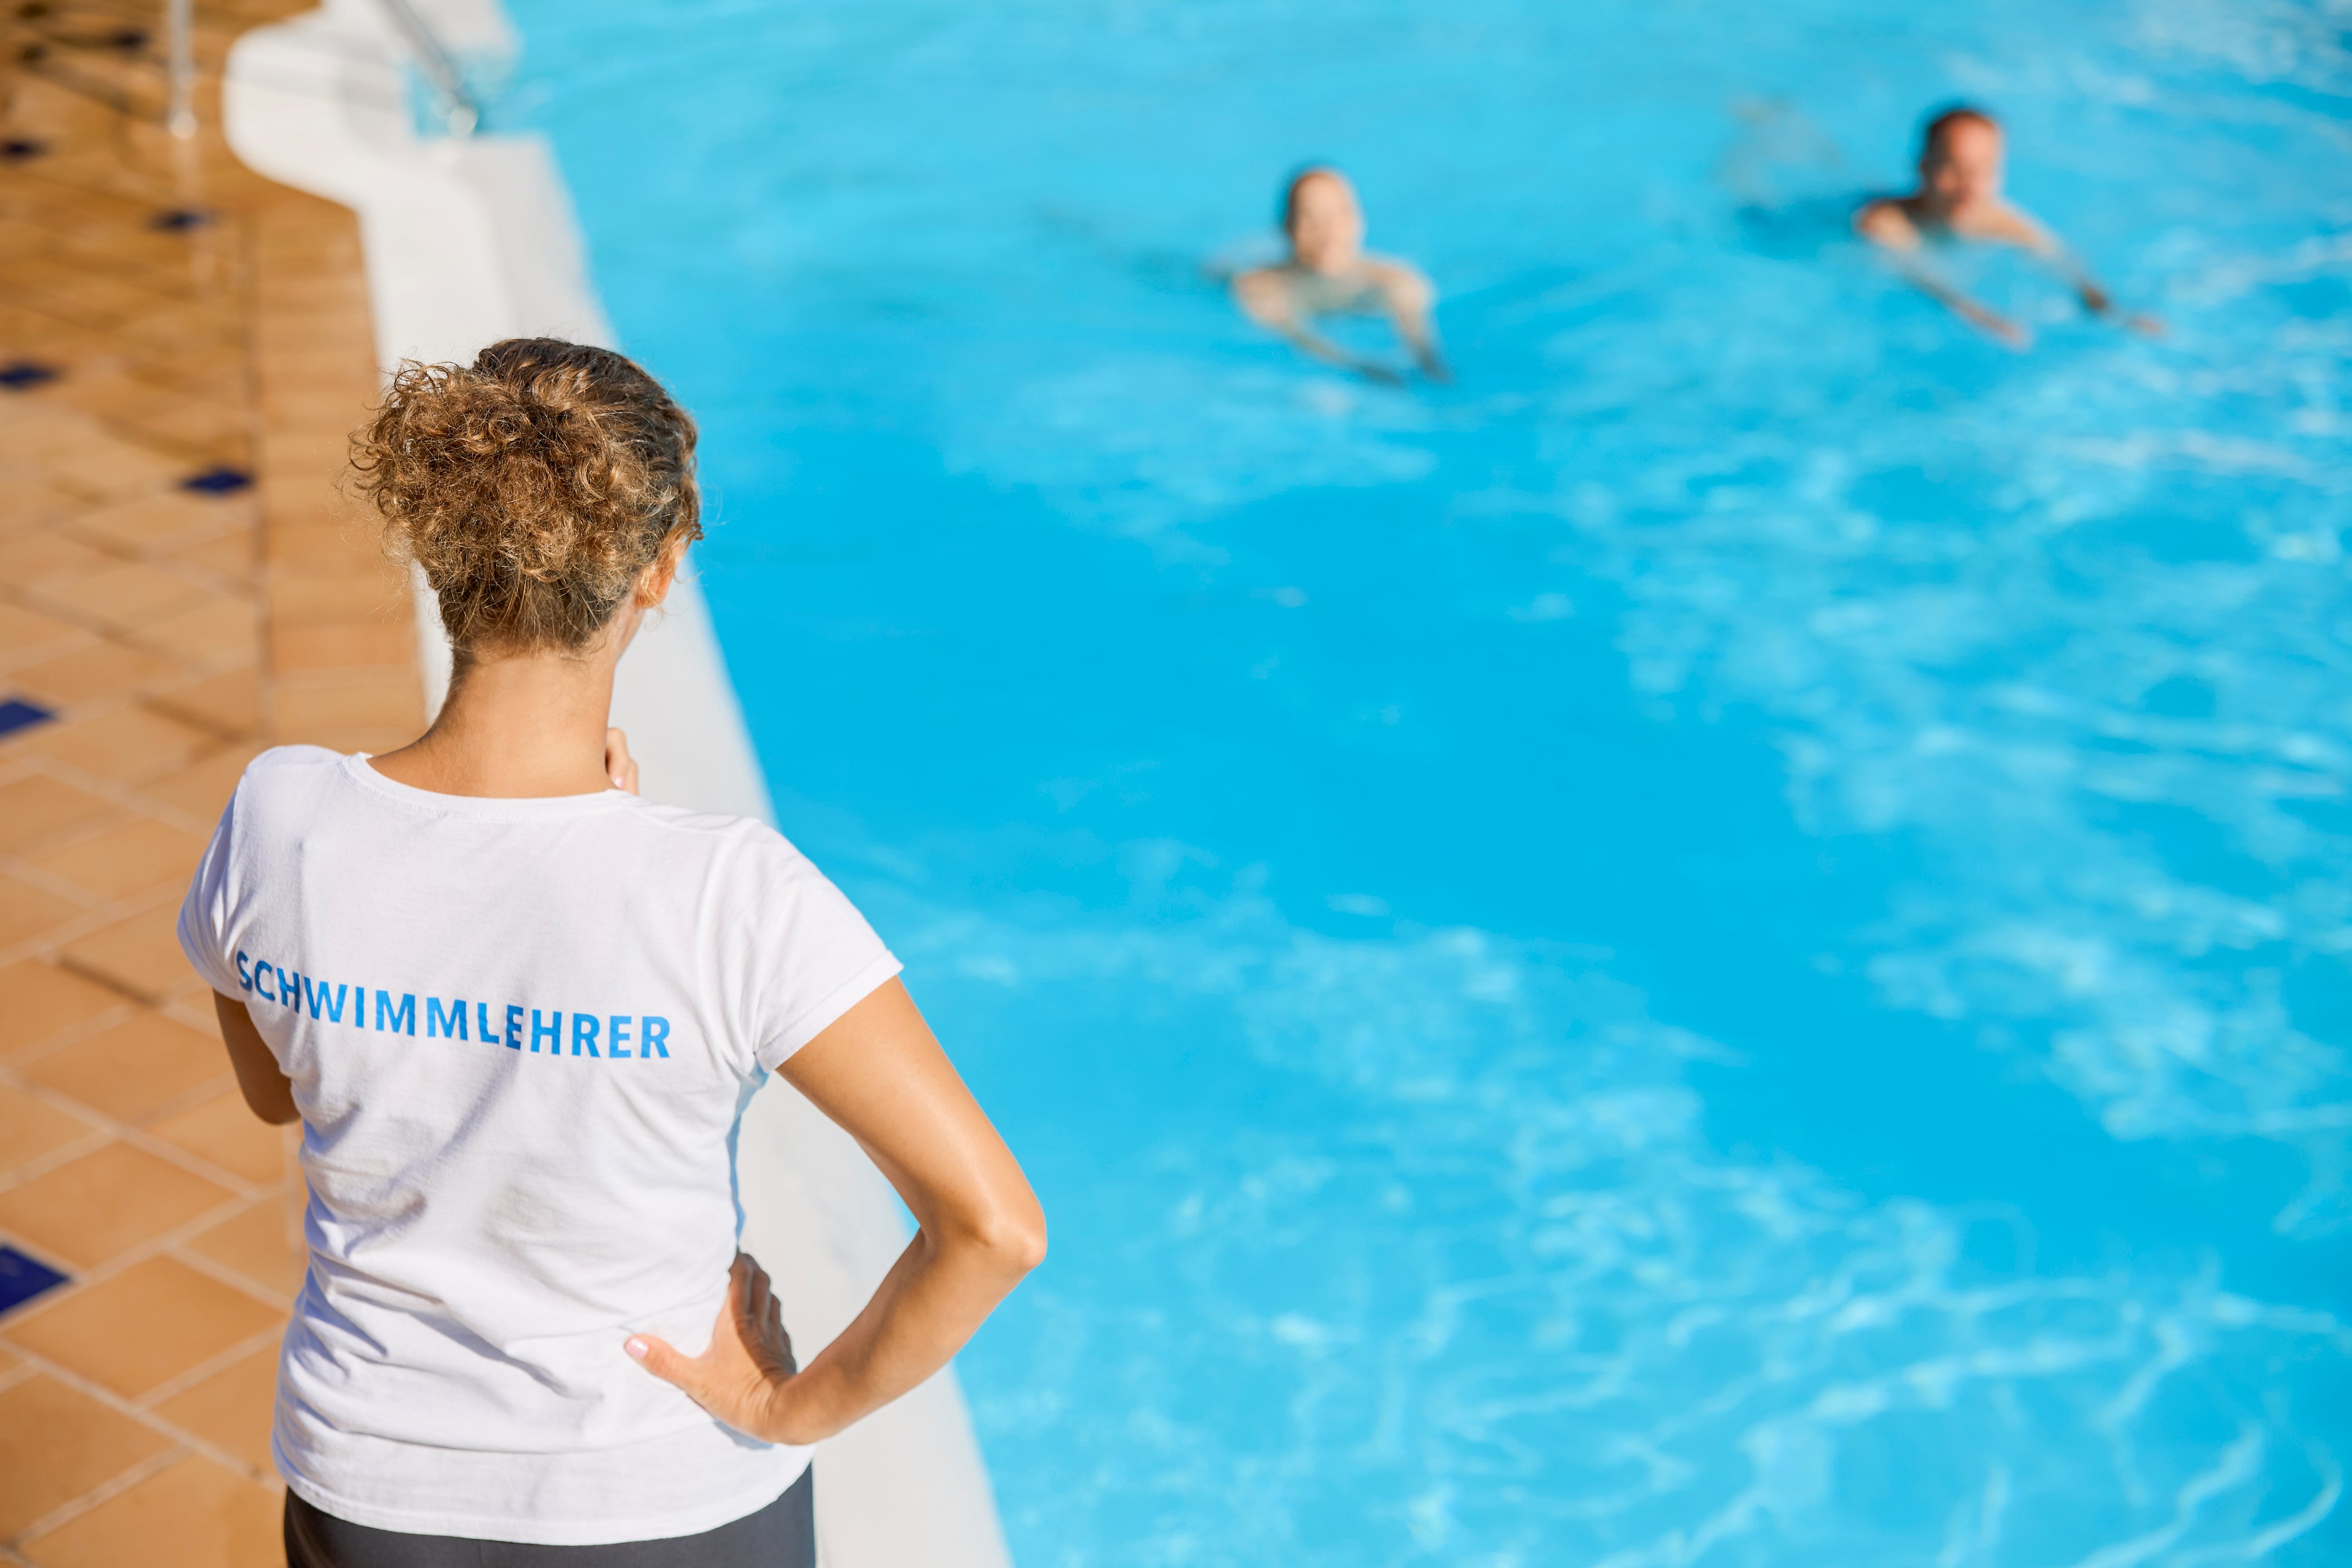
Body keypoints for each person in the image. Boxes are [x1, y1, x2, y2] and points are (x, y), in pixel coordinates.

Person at [177, 338, 1045, 1567]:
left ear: (433, 542)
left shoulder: (281, 817)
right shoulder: (730, 897)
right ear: (658, 568)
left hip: (369, 1487)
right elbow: (994, 1229)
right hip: (664, 1496)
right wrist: (789, 1409)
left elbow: (281, 1091)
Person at [1855, 105, 2160, 346]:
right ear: (1924, 167)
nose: (1969, 189)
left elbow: (2066, 265)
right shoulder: (1885, 222)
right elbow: (1916, 274)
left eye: (1983, 171)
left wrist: (2115, 314)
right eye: (1954, 169)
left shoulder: (1998, 220)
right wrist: (1975, 314)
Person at [1234, 165, 1448, 385]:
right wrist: (1359, 366)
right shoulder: (1262, 285)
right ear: (1287, 227)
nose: (1326, 232)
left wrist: (1430, 366)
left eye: (1335, 216)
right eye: (1309, 218)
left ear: (1358, 222)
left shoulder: (1395, 280)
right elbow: (1294, 340)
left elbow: (1420, 337)